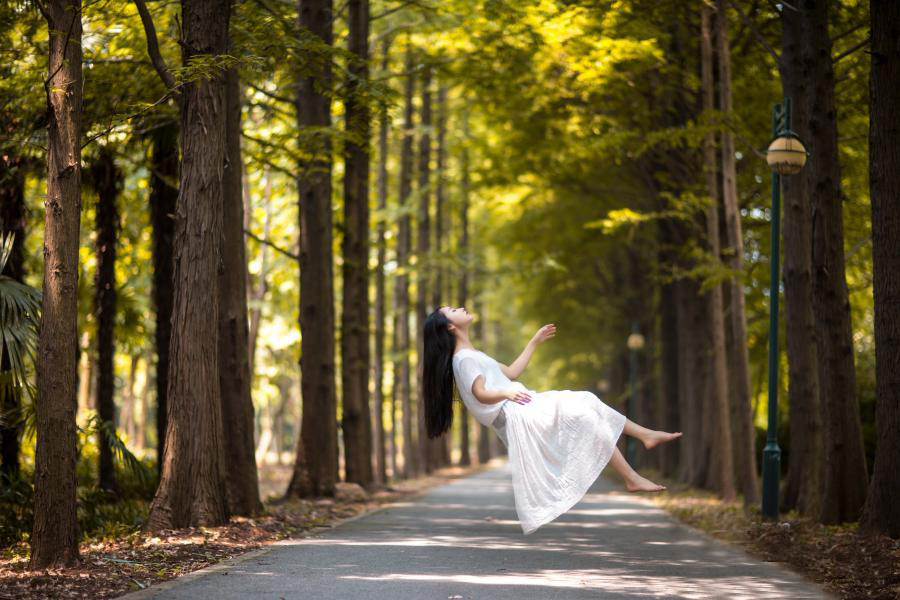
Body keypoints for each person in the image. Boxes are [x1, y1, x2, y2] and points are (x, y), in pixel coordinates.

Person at [422, 305, 682, 535]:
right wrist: (506, 392)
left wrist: (534, 342)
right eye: (452, 310)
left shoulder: (473, 354)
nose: (460, 307)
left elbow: (512, 371)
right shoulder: (464, 359)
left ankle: (644, 440)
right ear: (450, 326)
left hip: (521, 404)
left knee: (587, 403)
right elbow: (480, 394)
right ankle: (632, 475)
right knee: (586, 414)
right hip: (516, 413)